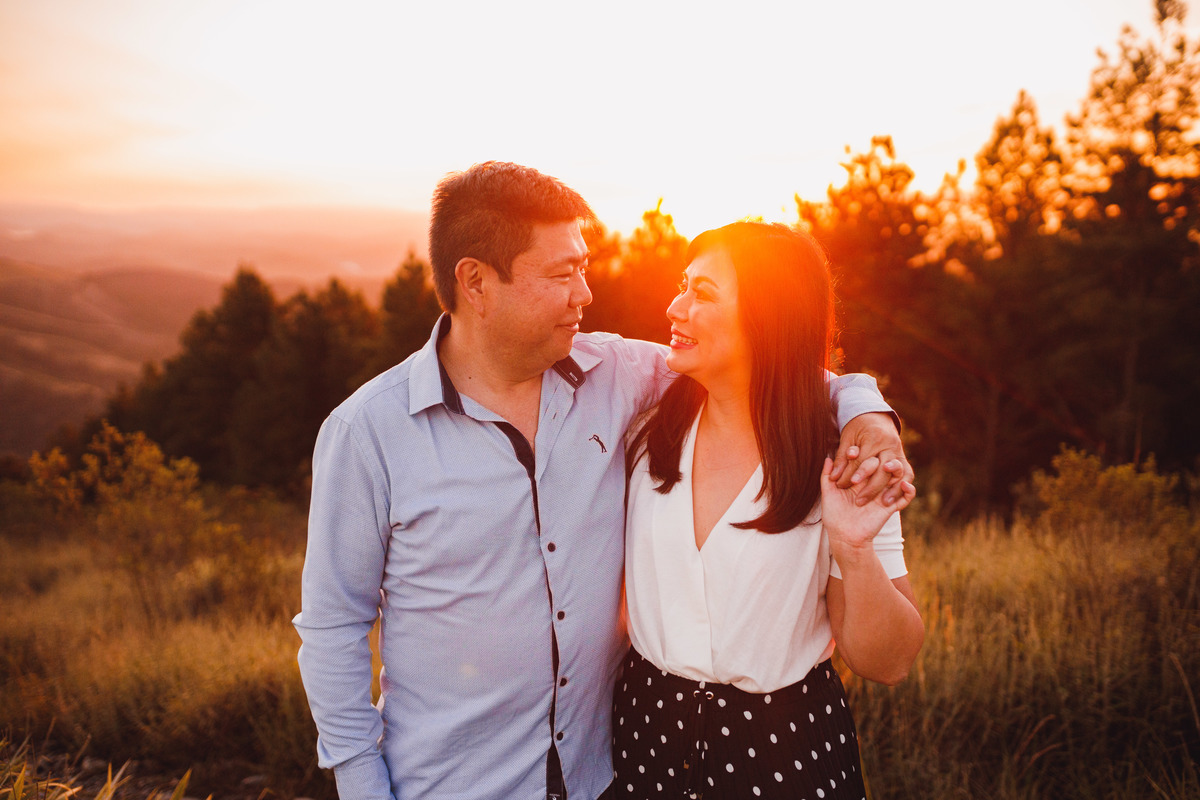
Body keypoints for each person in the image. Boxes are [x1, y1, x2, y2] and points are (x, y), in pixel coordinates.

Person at [293, 163, 913, 800]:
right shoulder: (368, 433)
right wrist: (362, 786)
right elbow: (334, 627)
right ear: (476, 282)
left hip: (607, 776)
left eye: (584, 268)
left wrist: (868, 411)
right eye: (563, 274)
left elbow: (775, 365)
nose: (585, 294)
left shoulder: (617, 376)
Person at [612, 221, 924, 799]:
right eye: (683, 284)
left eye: (703, 293)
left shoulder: (844, 460)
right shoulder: (644, 428)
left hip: (786, 752)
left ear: (768, 317)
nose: (675, 307)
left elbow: (890, 662)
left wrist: (854, 552)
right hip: (644, 739)